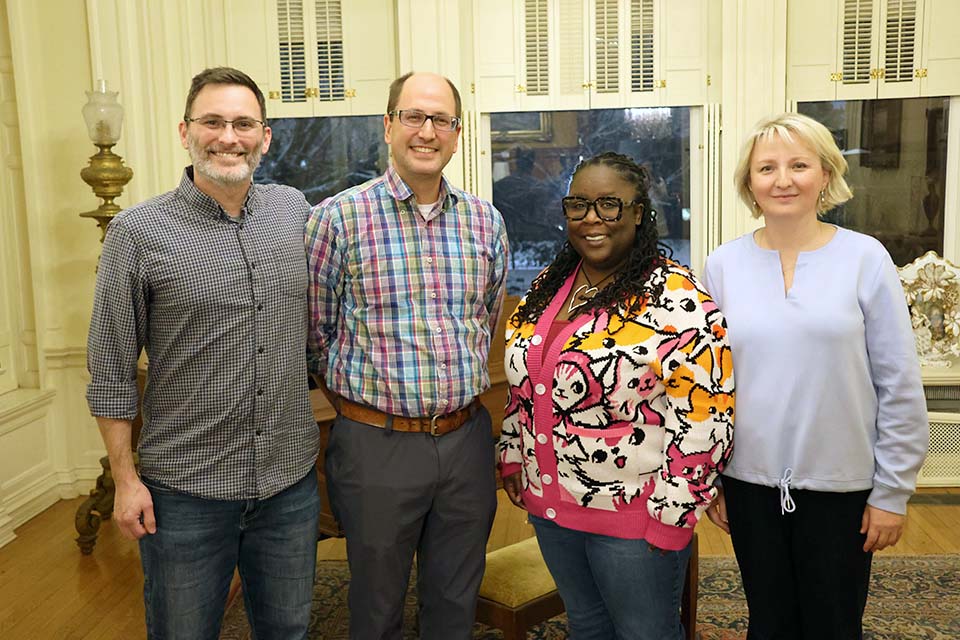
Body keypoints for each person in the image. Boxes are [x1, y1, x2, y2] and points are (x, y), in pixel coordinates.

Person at [86, 67, 320, 640]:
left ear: (265, 137)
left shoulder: (295, 213)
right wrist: (124, 480)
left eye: (243, 123)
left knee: (288, 630)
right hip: (184, 493)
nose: (228, 136)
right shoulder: (137, 233)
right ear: (184, 131)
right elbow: (110, 369)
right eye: (213, 122)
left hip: (288, 486)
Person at [702, 112, 929, 640]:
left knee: (834, 624)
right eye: (767, 167)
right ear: (749, 183)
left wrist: (892, 491)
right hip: (749, 484)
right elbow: (710, 385)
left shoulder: (865, 258)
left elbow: (898, 381)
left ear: (825, 175)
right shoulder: (722, 266)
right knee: (769, 622)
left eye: (799, 164)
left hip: (842, 486)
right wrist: (712, 479)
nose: (783, 179)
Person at [305, 71, 509, 640]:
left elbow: (485, 321)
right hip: (377, 445)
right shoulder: (337, 220)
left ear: (457, 132)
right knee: (376, 606)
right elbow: (315, 333)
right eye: (414, 117)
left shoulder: (485, 222)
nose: (427, 131)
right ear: (389, 124)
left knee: (454, 601)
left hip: (465, 440)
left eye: (440, 119)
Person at [498, 151, 735, 640]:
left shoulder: (675, 297)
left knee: (645, 632)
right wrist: (511, 455)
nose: (591, 219)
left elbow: (708, 415)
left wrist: (674, 512)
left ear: (639, 213)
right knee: (586, 624)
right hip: (552, 504)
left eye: (610, 205)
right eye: (578, 205)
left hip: (638, 511)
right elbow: (522, 386)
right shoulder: (549, 285)